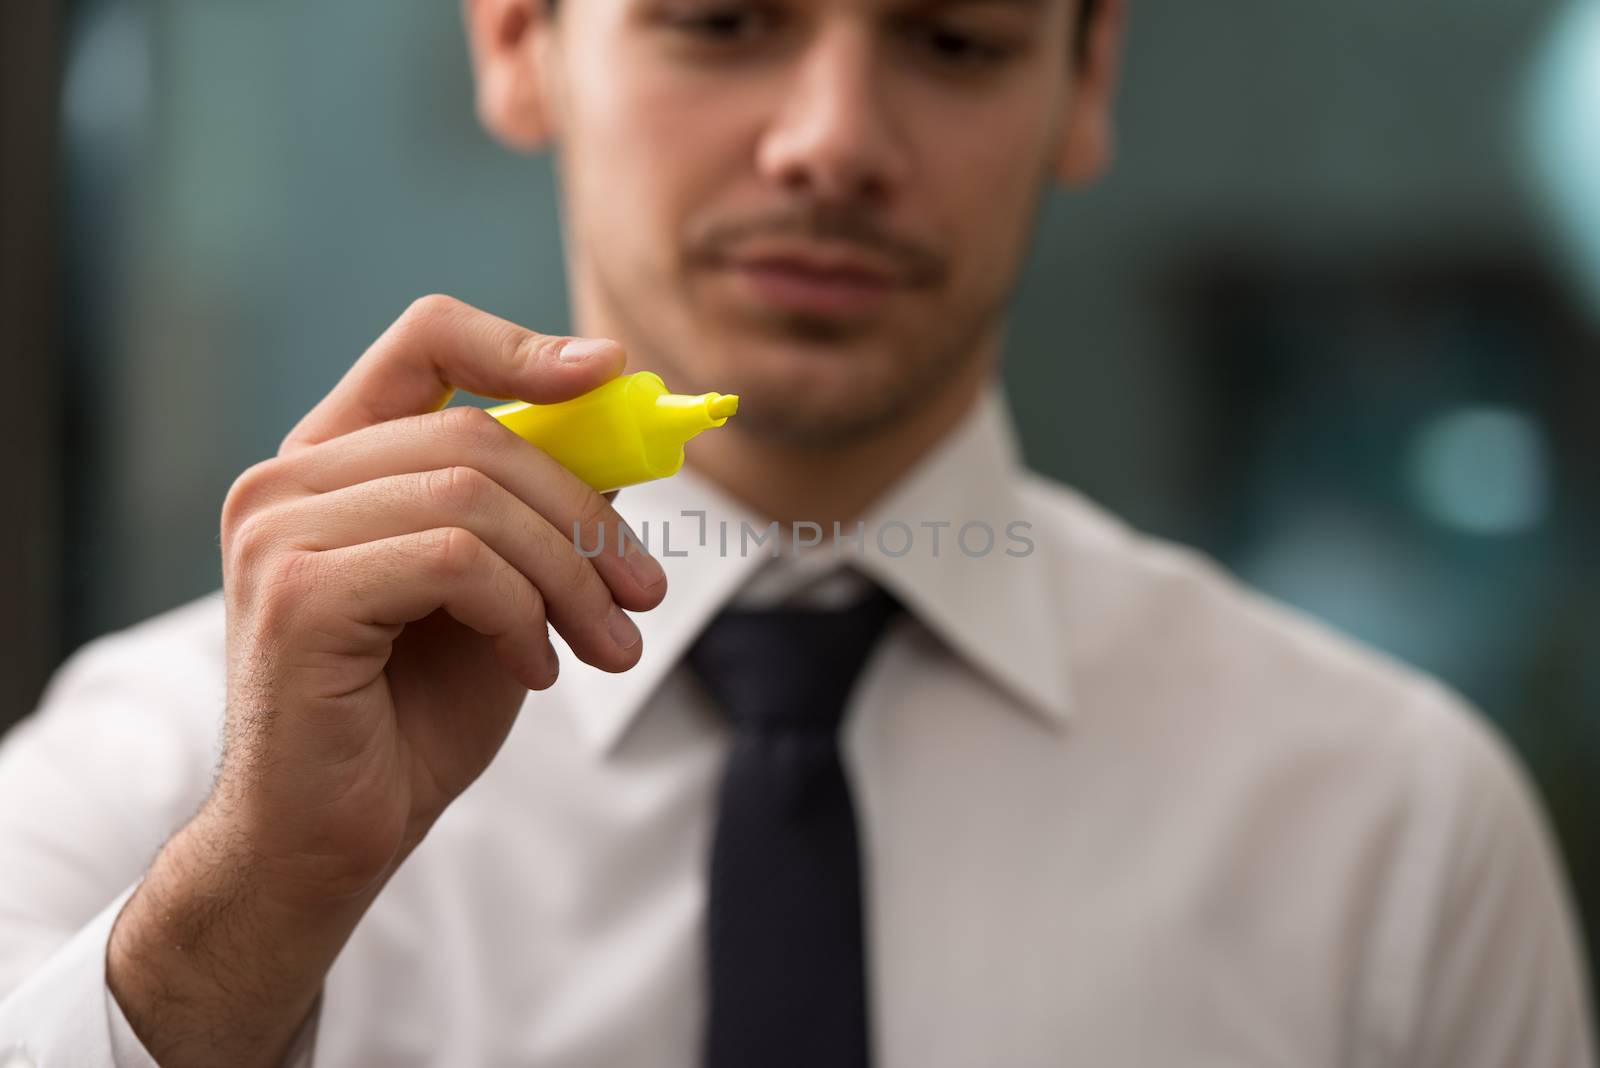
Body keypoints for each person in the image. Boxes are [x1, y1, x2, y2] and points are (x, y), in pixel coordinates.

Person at [0, 0, 1594, 1064]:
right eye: (724, 19)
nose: (832, 138)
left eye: (956, 39)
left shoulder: (1401, 838)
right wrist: (245, 922)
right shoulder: (158, 782)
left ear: (1086, 80)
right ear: (515, 37)